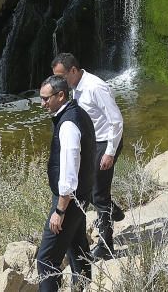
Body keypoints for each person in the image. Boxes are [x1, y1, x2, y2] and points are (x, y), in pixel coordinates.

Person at [51, 53, 125, 260]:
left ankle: (106, 246)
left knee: (99, 196)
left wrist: (110, 152)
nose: (58, 83)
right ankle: (114, 211)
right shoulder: (74, 88)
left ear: (73, 70)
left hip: (104, 143)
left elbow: (116, 121)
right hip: (92, 144)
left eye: (61, 77)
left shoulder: (95, 87)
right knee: (87, 189)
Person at [36, 74, 97, 292]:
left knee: (46, 261)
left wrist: (60, 210)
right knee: (78, 249)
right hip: (80, 196)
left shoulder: (68, 125)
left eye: (46, 99)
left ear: (61, 95)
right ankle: (82, 288)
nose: (42, 104)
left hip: (69, 201)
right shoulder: (78, 113)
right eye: (40, 99)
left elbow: (70, 172)